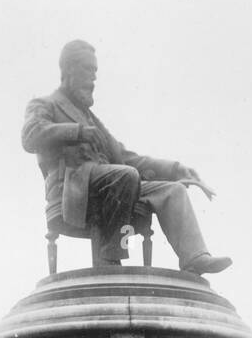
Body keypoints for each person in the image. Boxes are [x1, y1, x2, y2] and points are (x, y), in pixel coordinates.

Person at [22, 40, 233, 274]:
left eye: (95, 71)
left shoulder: (91, 118)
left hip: (113, 185)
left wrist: (175, 169)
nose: (93, 78)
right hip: (73, 188)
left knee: (173, 190)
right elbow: (30, 135)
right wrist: (78, 131)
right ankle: (109, 258)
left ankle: (195, 257)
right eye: (87, 69)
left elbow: (125, 157)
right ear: (69, 70)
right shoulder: (46, 104)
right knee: (125, 175)